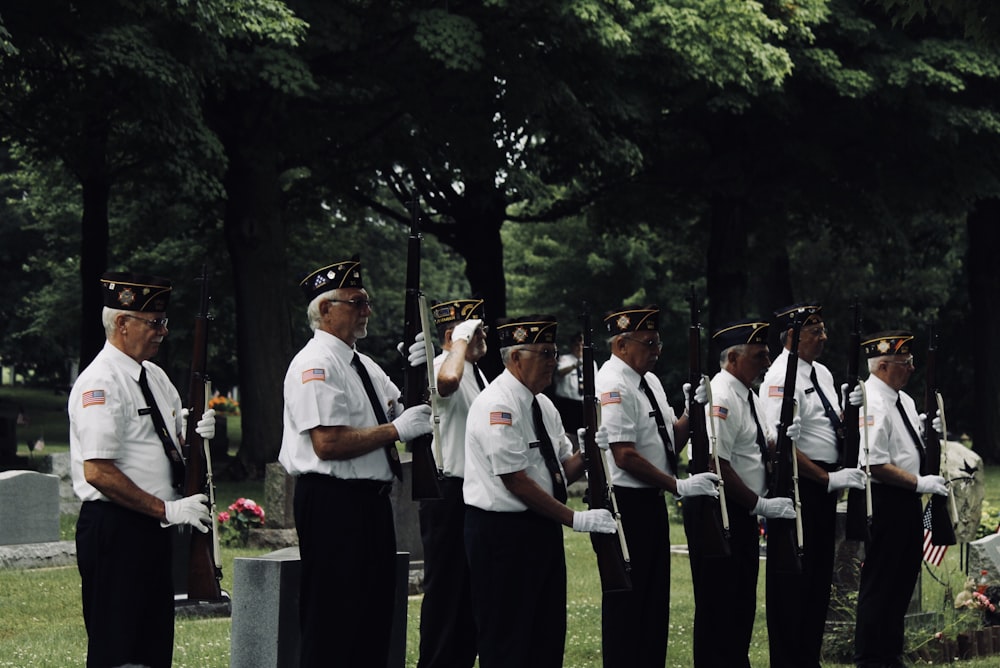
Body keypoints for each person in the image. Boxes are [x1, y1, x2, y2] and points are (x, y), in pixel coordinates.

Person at [278, 258, 433, 668]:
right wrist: (396, 431)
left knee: (372, 619)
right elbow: (327, 442)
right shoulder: (316, 365)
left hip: (370, 502)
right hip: (333, 502)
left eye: (365, 302)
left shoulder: (362, 364)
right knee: (334, 621)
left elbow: (409, 406)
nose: (367, 310)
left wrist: (426, 367)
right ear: (325, 309)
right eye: (356, 302)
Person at [69, 271, 217, 668]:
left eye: (164, 322)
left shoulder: (154, 376)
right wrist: (166, 509)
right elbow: (98, 471)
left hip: (152, 528)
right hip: (115, 528)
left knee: (152, 648)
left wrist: (197, 435)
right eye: (154, 323)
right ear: (122, 323)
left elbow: (170, 446)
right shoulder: (100, 383)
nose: (163, 332)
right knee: (118, 649)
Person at [463, 314, 617, 668]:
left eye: (553, 353)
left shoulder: (544, 405)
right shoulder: (497, 405)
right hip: (501, 534)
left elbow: (562, 470)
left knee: (545, 635)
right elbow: (514, 479)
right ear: (516, 358)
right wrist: (575, 518)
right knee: (508, 640)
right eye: (544, 354)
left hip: (539, 529)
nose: (553, 362)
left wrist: (590, 452)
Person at [595, 305, 719, 667]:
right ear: (621, 344)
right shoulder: (613, 384)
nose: (657, 351)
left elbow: (667, 445)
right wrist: (677, 485)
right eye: (649, 343)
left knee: (653, 604)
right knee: (628, 606)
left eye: (658, 342)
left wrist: (690, 411)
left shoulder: (647, 380)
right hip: (625, 504)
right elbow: (625, 455)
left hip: (649, 501)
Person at [758, 303, 866, 668]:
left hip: (825, 485)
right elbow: (778, 446)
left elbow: (831, 426)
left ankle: (808, 657)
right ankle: (788, 659)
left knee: (819, 579)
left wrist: (853, 413)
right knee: (793, 578)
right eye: (815, 331)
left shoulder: (820, 373)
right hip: (798, 485)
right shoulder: (779, 377)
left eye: (823, 329)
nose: (824, 337)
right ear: (793, 336)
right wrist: (825, 477)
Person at [686, 319, 795, 668]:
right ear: (733, 358)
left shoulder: (747, 393)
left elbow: (754, 446)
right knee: (720, 602)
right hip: (722, 510)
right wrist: (759, 503)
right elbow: (716, 462)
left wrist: (781, 440)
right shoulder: (722, 395)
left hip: (742, 511)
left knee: (740, 601)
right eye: (759, 356)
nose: (767, 362)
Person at [851, 331, 948, 668]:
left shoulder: (902, 399)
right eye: (904, 363)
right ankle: (870, 656)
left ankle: (890, 653)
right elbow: (874, 463)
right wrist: (920, 482)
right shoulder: (873, 401)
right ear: (882, 367)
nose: (912, 367)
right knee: (881, 581)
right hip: (886, 498)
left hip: (907, 500)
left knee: (903, 580)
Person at [417, 298, 489, 668]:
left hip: (474, 493)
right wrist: (458, 340)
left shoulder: (478, 373)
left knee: (469, 598)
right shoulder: (443, 366)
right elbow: (446, 383)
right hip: (448, 493)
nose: (483, 335)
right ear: (453, 334)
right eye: (477, 330)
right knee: (446, 595)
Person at [552, 331, 596, 449]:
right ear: (572, 345)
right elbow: (559, 373)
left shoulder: (591, 362)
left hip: (583, 403)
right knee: (569, 434)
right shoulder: (564, 359)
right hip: (568, 403)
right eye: (577, 344)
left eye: (582, 345)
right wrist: (575, 365)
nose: (579, 347)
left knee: (585, 433)